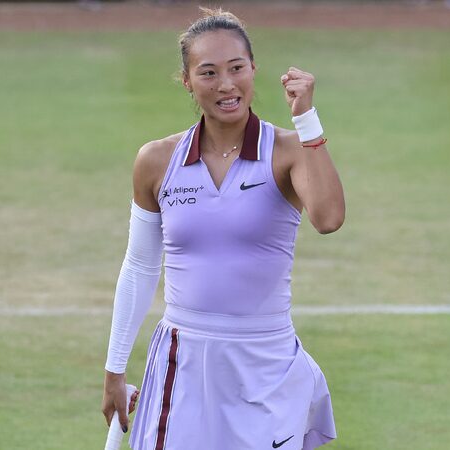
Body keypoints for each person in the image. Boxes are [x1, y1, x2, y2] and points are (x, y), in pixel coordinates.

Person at [101, 7, 345, 449]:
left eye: (236, 68)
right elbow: (139, 266)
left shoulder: (288, 150)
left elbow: (328, 219)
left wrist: (307, 119)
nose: (226, 85)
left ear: (254, 69)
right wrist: (114, 370)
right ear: (187, 81)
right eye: (208, 72)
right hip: (182, 363)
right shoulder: (157, 160)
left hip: (267, 365)